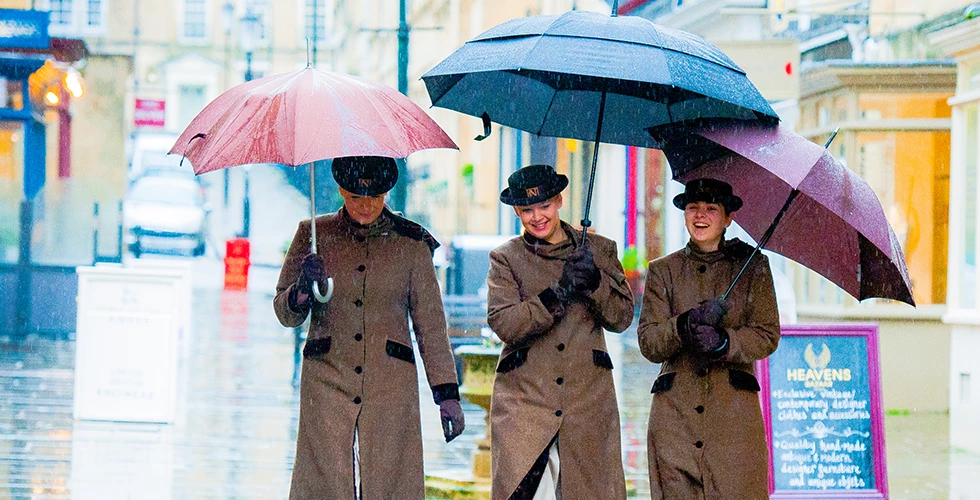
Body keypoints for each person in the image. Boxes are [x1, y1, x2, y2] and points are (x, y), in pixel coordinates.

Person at [273, 156, 465, 500]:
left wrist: (447, 393)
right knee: (325, 481)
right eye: (355, 197)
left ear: (387, 193)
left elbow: (430, 325)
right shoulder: (313, 235)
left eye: (374, 198)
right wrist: (303, 287)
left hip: (389, 381)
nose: (365, 206)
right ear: (342, 191)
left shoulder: (412, 243)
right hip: (327, 377)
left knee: (390, 480)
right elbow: (285, 313)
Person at [486, 164, 634, 500]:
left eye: (544, 206)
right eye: (527, 209)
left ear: (559, 200)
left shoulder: (599, 249)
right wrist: (558, 292)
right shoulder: (505, 258)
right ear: (516, 211)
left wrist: (595, 283)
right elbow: (505, 324)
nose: (537, 216)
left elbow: (622, 318)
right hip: (525, 402)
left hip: (587, 402)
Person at [637, 178, 780, 499]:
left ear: (728, 218)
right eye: (692, 208)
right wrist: (685, 325)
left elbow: (767, 335)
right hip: (675, 417)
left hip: (733, 419)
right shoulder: (664, 270)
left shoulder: (752, 266)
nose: (700, 215)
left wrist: (723, 342)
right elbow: (649, 342)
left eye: (711, 209)